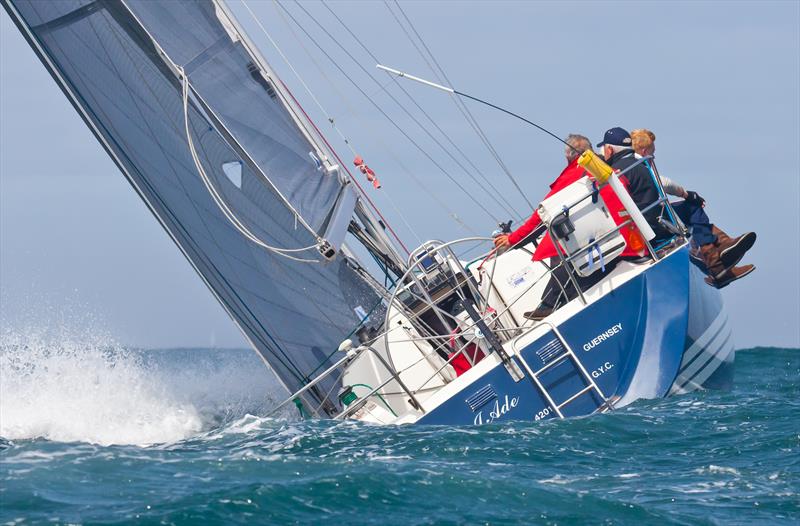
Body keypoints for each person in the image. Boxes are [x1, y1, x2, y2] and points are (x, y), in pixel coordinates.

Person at [493, 134, 641, 320]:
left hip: (592, 236)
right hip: (620, 229)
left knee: (559, 249)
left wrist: (512, 238)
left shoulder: (573, 172)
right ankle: (555, 301)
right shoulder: (602, 164)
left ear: (568, 156)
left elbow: (542, 213)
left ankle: (552, 304)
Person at [629, 128, 756, 288]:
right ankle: (718, 259)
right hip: (653, 221)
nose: (654, 156)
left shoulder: (624, 164)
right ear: (645, 150)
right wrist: (687, 194)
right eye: (653, 152)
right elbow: (663, 182)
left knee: (697, 226)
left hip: (643, 220)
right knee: (692, 208)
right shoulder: (638, 164)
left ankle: (721, 258)